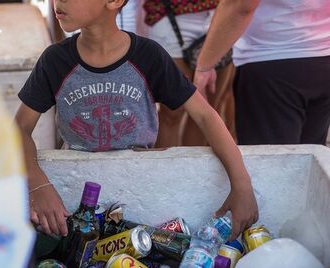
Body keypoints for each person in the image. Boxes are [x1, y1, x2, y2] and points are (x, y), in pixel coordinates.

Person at [14, 0, 258, 241]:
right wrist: (37, 184)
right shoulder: (54, 60)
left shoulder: (149, 56)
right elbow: (19, 129)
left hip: (143, 202)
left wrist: (242, 185)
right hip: (76, 205)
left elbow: (205, 117)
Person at [194, 0, 330, 145]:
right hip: (320, 56)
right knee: (308, 158)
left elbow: (240, 6)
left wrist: (204, 65)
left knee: (272, 161)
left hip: (272, 59)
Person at [143, 0, 236, 147]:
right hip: (169, 17)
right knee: (172, 112)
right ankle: (167, 169)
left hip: (219, 14)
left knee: (207, 111)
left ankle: (196, 169)